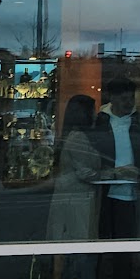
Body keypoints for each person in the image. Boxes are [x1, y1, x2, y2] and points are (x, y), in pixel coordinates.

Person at [91, 76, 140, 237]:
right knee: (105, 238)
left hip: (138, 191)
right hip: (104, 191)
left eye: (131, 98)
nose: (129, 103)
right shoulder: (99, 123)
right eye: (124, 99)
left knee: (134, 237)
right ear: (112, 98)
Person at [47, 94, 101, 246]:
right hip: (77, 199)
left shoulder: (71, 135)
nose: (96, 115)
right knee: (79, 242)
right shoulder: (78, 137)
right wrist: (111, 174)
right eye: (93, 110)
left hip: (73, 196)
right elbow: (86, 172)